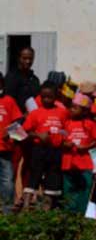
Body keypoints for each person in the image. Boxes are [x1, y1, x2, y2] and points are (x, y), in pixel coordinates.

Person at [22, 81, 67, 210]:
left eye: (50, 97)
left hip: (55, 151)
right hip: (39, 150)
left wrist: (62, 137)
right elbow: (25, 131)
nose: (46, 100)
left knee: (52, 179)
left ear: (56, 96)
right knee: (34, 176)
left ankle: (46, 211)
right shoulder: (35, 113)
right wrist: (38, 135)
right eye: (44, 97)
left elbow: (65, 129)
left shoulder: (62, 112)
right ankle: (25, 207)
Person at [61, 93, 96, 214]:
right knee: (69, 190)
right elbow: (60, 140)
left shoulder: (90, 124)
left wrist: (86, 147)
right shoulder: (66, 123)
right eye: (71, 107)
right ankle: (69, 215)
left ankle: (80, 215)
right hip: (68, 163)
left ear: (85, 111)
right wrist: (65, 145)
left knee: (84, 191)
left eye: (75, 108)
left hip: (85, 164)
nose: (71, 110)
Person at [0, 73, 23, 214]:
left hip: (5, 149)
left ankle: (6, 211)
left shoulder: (9, 101)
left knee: (7, 180)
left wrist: (10, 133)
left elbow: (20, 120)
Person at [4, 46, 40, 114]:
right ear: (19, 58)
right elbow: (8, 101)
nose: (28, 61)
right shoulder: (11, 77)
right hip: (16, 118)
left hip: (32, 117)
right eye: (24, 58)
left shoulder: (35, 80)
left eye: (30, 58)